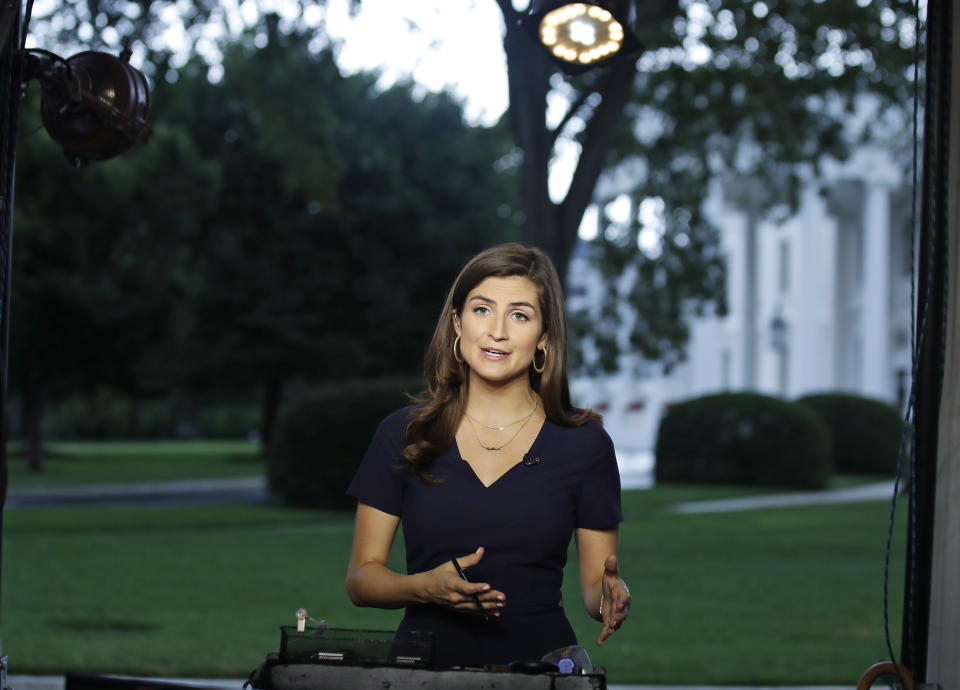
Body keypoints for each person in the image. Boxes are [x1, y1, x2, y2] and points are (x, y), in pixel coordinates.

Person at [345, 242, 631, 669]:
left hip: (541, 670)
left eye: (519, 315)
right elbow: (361, 579)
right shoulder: (403, 433)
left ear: (544, 336)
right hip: (421, 673)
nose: (497, 330)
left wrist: (609, 595)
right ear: (458, 323)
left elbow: (594, 586)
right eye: (482, 310)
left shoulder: (585, 444)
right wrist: (425, 588)